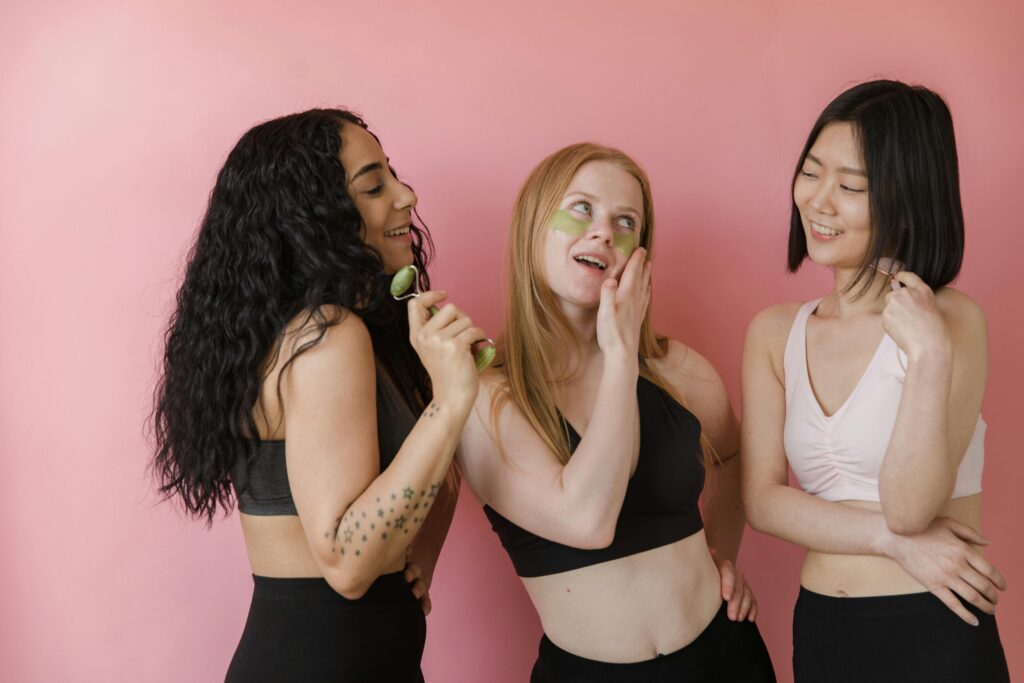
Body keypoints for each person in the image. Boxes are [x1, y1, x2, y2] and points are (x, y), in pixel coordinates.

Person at [151, 108, 484, 681]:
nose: (406, 196)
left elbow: (430, 479)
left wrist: (418, 558)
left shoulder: (350, 330)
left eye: (392, 176)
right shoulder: (327, 337)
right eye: (374, 187)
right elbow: (348, 565)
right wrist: (451, 402)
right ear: (314, 217)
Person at [458, 143, 776, 681]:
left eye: (626, 222)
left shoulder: (676, 369)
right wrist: (621, 354)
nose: (604, 233)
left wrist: (722, 553)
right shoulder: (486, 397)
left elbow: (732, 454)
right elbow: (587, 520)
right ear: (534, 226)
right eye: (581, 209)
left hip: (727, 657)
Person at [741, 80, 1009, 681]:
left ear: (906, 199)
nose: (819, 201)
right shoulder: (774, 332)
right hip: (824, 629)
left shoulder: (952, 320)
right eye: (811, 173)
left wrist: (929, 355)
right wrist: (890, 542)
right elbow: (762, 501)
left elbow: (910, 509)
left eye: (851, 186)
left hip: (934, 624)